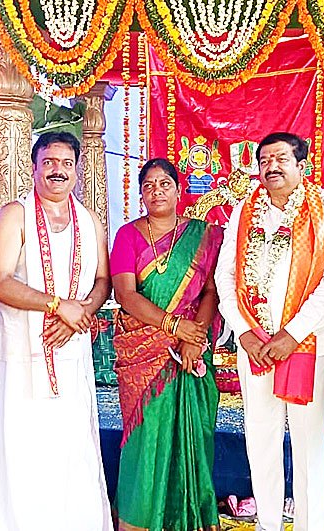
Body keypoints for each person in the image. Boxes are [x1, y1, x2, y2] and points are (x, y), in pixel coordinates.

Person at [215, 132, 324, 531]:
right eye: (264, 161)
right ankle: (268, 524)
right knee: (260, 437)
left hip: (305, 345)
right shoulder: (245, 211)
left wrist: (292, 334)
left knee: (308, 442)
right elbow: (225, 275)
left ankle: (311, 526)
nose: (272, 167)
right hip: (255, 345)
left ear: (302, 165)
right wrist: (243, 331)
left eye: (281, 159)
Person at [0, 132, 112, 530]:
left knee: (73, 446)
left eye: (66, 163)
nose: (58, 171)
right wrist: (58, 306)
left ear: (77, 170)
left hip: (71, 354)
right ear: (35, 167)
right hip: (24, 355)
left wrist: (82, 312)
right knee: (24, 448)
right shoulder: (14, 215)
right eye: (49, 162)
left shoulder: (90, 220)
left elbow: (103, 281)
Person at [110, 158, 223, 531]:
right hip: (144, 354)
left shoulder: (204, 236)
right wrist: (176, 326)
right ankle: (138, 522)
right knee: (144, 442)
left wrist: (197, 337)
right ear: (141, 193)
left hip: (191, 351)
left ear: (178, 190)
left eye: (164, 184)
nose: (156, 191)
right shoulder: (128, 235)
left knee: (193, 440)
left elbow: (211, 291)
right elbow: (126, 295)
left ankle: (187, 519)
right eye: (149, 185)